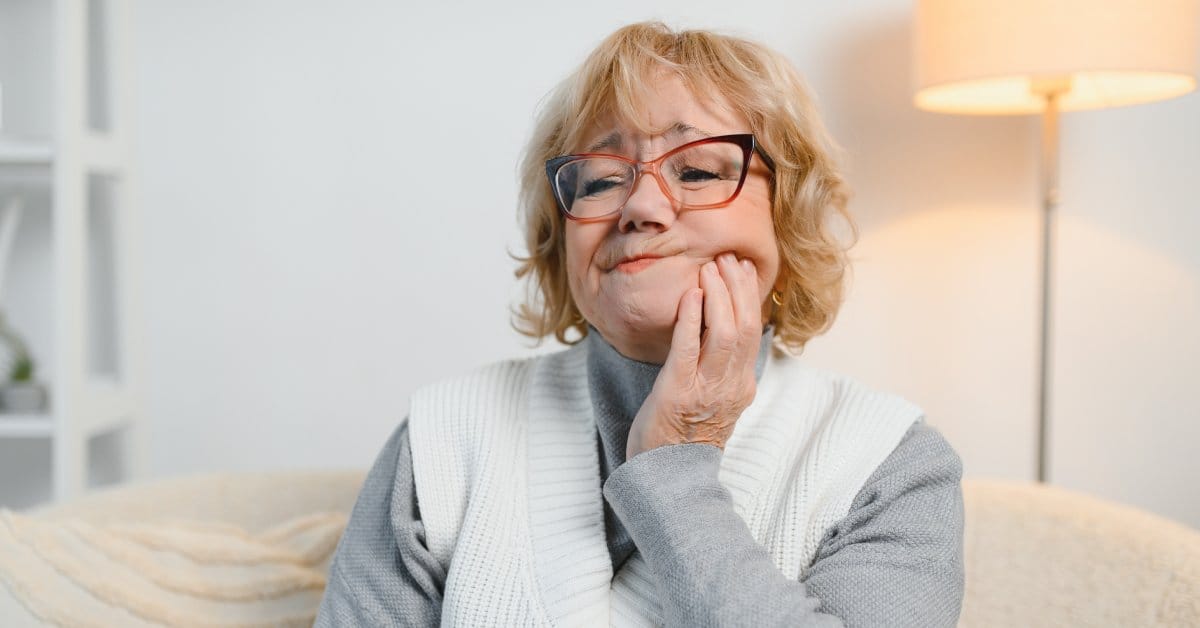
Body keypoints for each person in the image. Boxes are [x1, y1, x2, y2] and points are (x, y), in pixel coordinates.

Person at [316, 20, 964, 628]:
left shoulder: (890, 462)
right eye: (599, 181)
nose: (642, 207)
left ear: (788, 220)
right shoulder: (441, 438)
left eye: (699, 170)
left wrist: (674, 468)